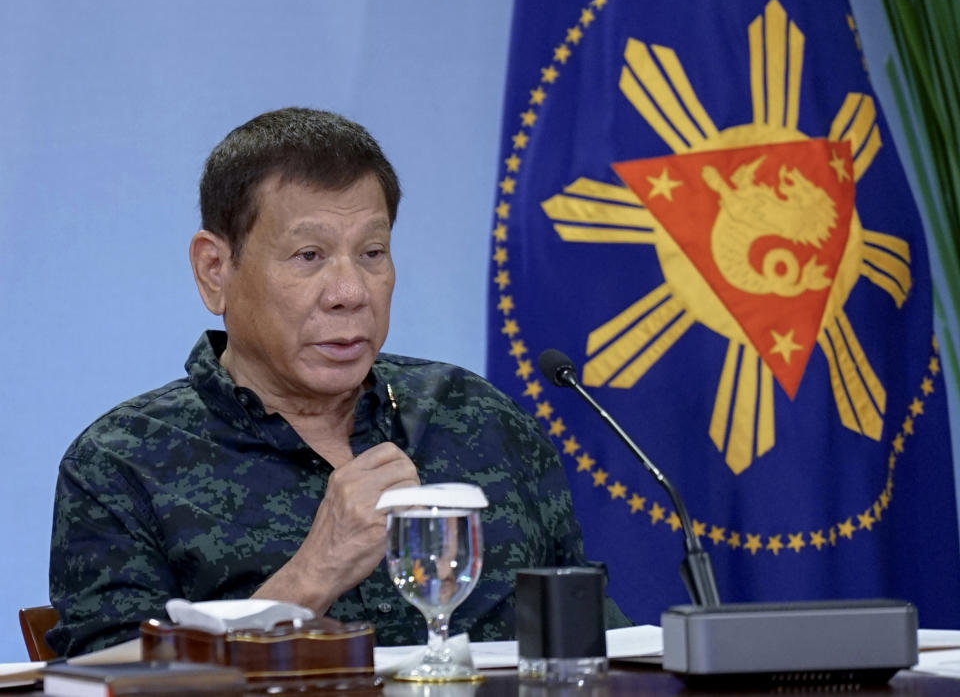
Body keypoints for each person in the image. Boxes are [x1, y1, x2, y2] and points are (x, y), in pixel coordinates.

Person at [48, 107, 629, 656]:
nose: (350, 292)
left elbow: (593, 645)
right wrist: (313, 573)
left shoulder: (478, 418)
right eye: (308, 255)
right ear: (215, 270)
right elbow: (107, 684)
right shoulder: (122, 465)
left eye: (372, 252)